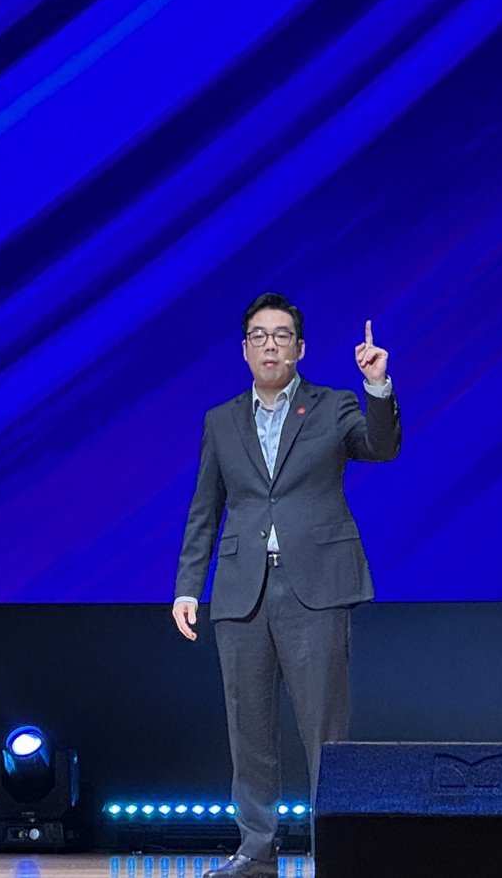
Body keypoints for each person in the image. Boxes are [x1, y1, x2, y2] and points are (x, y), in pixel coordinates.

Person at [172, 292, 400, 877]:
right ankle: (256, 850)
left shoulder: (333, 405)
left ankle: (336, 851)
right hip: (242, 589)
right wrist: (188, 587)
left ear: (300, 348)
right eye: (259, 336)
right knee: (248, 729)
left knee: (325, 730)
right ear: (244, 349)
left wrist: (377, 385)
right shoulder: (221, 420)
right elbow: (205, 509)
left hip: (316, 587)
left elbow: (382, 448)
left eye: (281, 336)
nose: (269, 345)